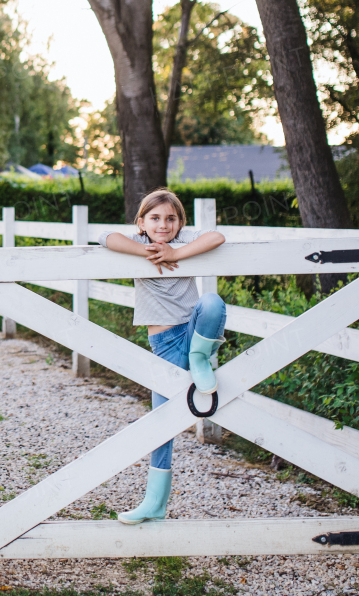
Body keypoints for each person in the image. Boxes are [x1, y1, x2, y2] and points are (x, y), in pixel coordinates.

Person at [98, 188, 227, 524]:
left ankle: (201, 359)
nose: (163, 224)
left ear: (180, 222)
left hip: (194, 332)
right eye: (155, 218)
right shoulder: (139, 240)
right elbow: (105, 236)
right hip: (164, 345)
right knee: (161, 424)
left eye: (171, 218)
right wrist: (147, 251)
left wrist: (177, 253)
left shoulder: (183, 239)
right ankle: (154, 503)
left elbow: (217, 236)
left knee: (213, 302)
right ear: (141, 222)